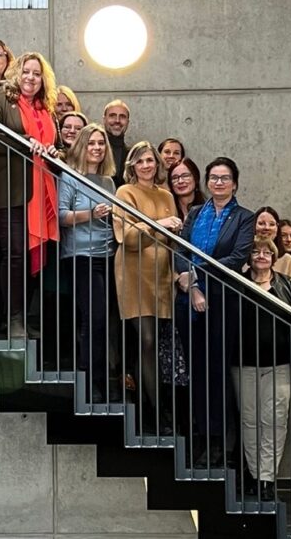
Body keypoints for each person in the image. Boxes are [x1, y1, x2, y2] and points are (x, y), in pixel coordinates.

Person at [174, 157, 255, 466]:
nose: (219, 183)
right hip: (190, 302)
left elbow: (235, 258)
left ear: (234, 183)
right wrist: (191, 286)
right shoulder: (195, 214)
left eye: (225, 178)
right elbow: (180, 251)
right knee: (196, 373)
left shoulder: (244, 218)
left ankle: (222, 443)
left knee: (218, 373)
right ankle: (201, 438)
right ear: (207, 182)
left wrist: (195, 276)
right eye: (214, 178)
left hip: (223, 303)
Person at [0, 52, 60, 335]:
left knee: (32, 256)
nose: (30, 77)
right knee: (15, 254)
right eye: (26, 71)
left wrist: (54, 152)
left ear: (43, 79)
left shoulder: (46, 109)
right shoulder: (1, 100)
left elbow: (58, 146)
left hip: (42, 190)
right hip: (9, 189)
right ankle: (12, 319)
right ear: (17, 73)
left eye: (37, 74)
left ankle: (24, 318)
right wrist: (25, 142)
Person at [113, 141, 181, 434]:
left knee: (154, 345)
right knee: (147, 341)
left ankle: (152, 409)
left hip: (161, 273)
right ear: (132, 166)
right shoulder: (124, 192)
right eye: (139, 161)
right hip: (134, 271)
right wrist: (160, 222)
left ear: (157, 164)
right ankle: (154, 413)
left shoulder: (166, 195)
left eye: (150, 161)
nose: (146, 166)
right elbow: (127, 237)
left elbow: (174, 237)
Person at [234, 236, 291, 501]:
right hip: (243, 364)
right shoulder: (237, 282)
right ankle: (254, 475)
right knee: (250, 421)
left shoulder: (287, 285)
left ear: (274, 258)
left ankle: (267, 478)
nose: (261, 255)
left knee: (274, 421)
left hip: (280, 363)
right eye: (255, 251)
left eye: (267, 252)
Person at [58, 124, 118, 401]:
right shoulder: (70, 176)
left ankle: (103, 379)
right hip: (80, 256)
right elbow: (62, 217)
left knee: (104, 322)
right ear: (82, 146)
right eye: (92, 143)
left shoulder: (108, 182)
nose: (97, 148)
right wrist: (91, 214)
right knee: (94, 318)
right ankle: (90, 379)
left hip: (107, 255)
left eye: (101, 144)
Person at [255, 206, 291, 279]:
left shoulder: (287, 260)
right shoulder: (243, 255)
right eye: (261, 223)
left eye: (272, 224)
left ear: (277, 229)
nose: (267, 228)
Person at [103, 99, 131, 187]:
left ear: (128, 122)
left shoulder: (131, 154)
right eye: (112, 116)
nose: (117, 121)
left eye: (122, 116)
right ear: (104, 119)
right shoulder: (93, 149)